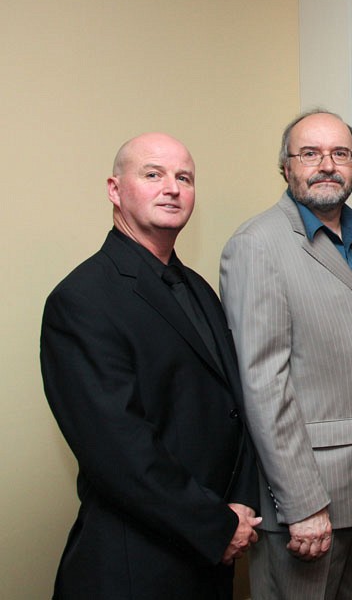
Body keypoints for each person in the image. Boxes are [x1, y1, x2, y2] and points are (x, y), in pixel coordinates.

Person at [40, 133, 261, 599]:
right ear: (115, 189)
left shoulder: (198, 288)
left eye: (185, 178)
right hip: (135, 564)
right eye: (153, 174)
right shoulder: (81, 300)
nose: (172, 188)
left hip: (210, 557)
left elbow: (234, 406)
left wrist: (241, 502)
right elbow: (120, 451)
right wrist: (217, 525)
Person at [220, 110, 352, 599]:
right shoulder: (256, 246)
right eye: (310, 153)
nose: (327, 165)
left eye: (340, 154)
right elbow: (263, 386)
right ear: (286, 166)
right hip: (311, 500)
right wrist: (303, 503)